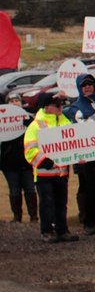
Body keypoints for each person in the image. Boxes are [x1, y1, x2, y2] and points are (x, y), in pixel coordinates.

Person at [23, 92, 77, 243]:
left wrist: (79, 156)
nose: (60, 107)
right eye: (56, 105)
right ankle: (47, 231)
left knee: (61, 203)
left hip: (62, 172)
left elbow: (76, 144)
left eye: (61, 104)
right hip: (44, 173)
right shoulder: (36, 125)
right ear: (46, 107)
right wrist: (47, 162)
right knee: (47, 204)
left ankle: (62, 230)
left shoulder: (65, 122)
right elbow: (30, 150)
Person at [64, 72, 95, 234]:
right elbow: (78, 127)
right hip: (85, 155)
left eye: (90, 84)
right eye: (84, 85)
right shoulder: (75, 107)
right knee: (88, 188)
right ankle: (88, 220)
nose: (87, 87)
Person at [1, 93, 36, 223]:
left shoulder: (29, 120)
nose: (15, 103)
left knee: (30, 188)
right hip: (8, 163)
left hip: (26, 161)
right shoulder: (2, 121)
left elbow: (38, 133)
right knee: (14, 190)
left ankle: (33, 216)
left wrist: (29, 123)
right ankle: (17, 217)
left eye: (17, 100)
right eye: (11, 101)